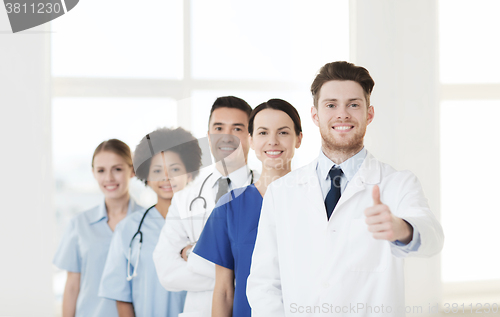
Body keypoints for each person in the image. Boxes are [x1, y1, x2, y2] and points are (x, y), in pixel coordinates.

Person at [246, 61, 445, 317]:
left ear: (369, 114)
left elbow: (433, 238)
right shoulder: (282, 192)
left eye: (353, 104)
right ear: (315, 116)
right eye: (331, 105)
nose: (342, 114)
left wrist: (403, 229)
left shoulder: (397, 183)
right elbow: (264, 282)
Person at [193, 99, 303, 317]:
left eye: (283, 132)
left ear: (298, 138)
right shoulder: (229, 208)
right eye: (263, 133)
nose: (272, 141)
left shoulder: (317, 201)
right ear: (251, 140)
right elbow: (224, 291)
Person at [153, 96, 260, 317]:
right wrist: (238, 268)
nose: (227, 136)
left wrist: (194, 255)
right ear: (209, 135)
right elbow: (166, 272)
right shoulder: (184, 199)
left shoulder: (268, 193)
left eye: (237, 128)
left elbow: (271, 266)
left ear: (250, 136)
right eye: (219, 128)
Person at [98, 128, 203, 316]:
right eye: (157, 170)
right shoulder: (128, 229)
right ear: (146, 175)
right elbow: (121, 296)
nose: (166, 177)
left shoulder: (206, 224)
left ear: (189, 173)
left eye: (175, 169)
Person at [53, 139, 144, 317]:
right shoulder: (79, 225)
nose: (109, 178)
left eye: (117, 169)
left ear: (132, 170)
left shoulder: (149, 222)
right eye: (101, 170)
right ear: (93, 173)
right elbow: (72, 286)